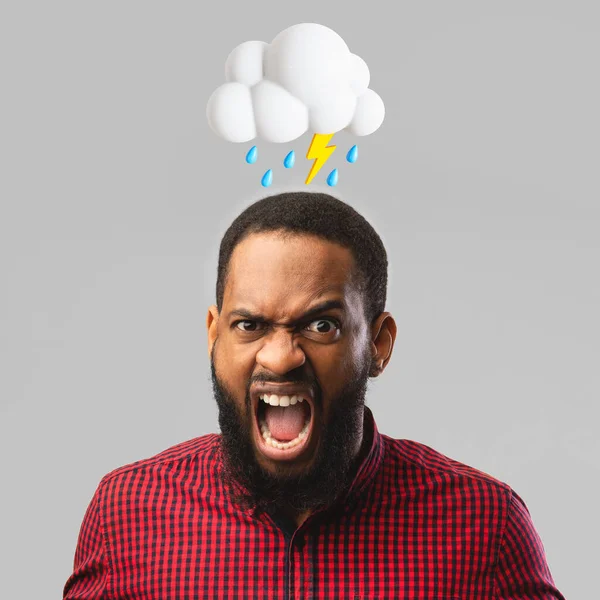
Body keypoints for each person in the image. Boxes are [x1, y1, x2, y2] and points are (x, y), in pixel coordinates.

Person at [63, 191, 565, 599]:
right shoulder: (126, 513)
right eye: (249, 324)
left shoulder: (485, 524)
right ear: (215, 335)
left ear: (379, 344)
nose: (280, 358)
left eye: (321, 325)